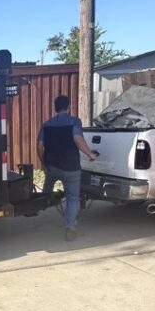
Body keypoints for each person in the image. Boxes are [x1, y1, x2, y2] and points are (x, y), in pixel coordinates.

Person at [37, 94, 98, 240]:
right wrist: (90, 154)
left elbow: (39, 146)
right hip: (70, 167)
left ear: (55, 108)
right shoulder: (74, 122)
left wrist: (43, 163)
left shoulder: (46, 124)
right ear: (68, 107)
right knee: (72, 198)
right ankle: (70, 227)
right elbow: (78, 139)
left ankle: (46, 196)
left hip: (52, 165)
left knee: (50, 179)